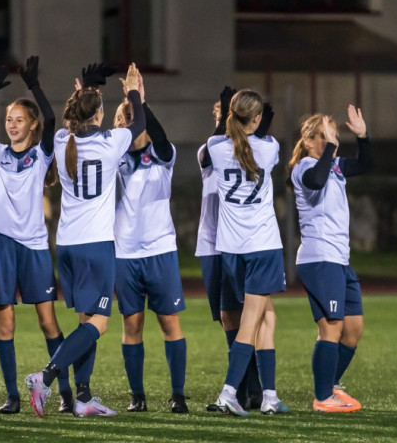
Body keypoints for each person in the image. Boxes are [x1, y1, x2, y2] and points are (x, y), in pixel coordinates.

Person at [25, 62, 144, 418]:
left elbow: (64, 125)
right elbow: (138, 124)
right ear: (101, 114)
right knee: (100, 324)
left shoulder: (63, 140)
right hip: (96, 244)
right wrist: (134, 91)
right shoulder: (111, 143)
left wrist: (82, 96)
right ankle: (44, 377)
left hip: (66, 244)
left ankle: (83, 397)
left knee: (85, 321)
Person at [0, 57, 73, 414]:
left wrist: (34, 85)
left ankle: (66, 392)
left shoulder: (41, 154)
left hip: (35, 246)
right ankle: (13, 395)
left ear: (32, 124)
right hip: (1, 245)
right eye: (8, 119)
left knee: (46, 320)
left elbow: (53, 120)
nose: (11, 124)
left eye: (18, 119)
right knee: (4, 321)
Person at [207, 89, 288, 416]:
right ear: (256, 119)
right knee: (252, 321)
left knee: (267, 316)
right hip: (262, 246)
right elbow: (261, 138)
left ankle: (269, 395)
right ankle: (228, 392)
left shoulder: (215, 147)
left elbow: (224, 140)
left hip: (231, 250)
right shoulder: (269, 149)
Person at [111, 74, 188, 413]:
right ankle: (137, 396)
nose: (122, 126)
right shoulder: (113, 159)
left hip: (160, 251)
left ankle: (178, 394)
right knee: (132, 325)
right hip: (124, 254)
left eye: (127, 119)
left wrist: (138, 99)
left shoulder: (162, 155)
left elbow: (158, 134)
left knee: (170, 324)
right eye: (118, 120)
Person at [289, 106, 371, 412]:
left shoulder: (333, 165)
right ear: (308, 141)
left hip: (339, 258)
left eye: (331, 135)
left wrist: (362, 136)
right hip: (319, 257)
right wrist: (332, 148)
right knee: (332, 328)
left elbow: (366, 164)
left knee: (353, 329)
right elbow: (316, 181)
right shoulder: (304, 167)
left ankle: (329, 386)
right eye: (322, 136)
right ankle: (322, 398)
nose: (328, 140)